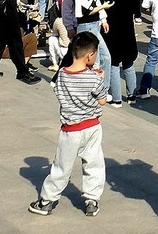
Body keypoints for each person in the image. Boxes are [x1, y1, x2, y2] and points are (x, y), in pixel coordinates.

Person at [28, 32, 108, 217]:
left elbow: (60, 88)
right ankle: (91, 200)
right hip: (92, 127)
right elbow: (102, 100)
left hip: (70, 129)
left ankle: (47, 201)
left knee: (61, 166)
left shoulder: (62, 75)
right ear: (90, 55)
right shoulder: (94, 78)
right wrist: (99, 78)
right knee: (94, 163)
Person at [101, 0, 139, 108]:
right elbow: (137, 10)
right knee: (129, 63)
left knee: (114, 64)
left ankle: (117, 98)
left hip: (111, 30)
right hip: (127, 28)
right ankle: (132, 95)